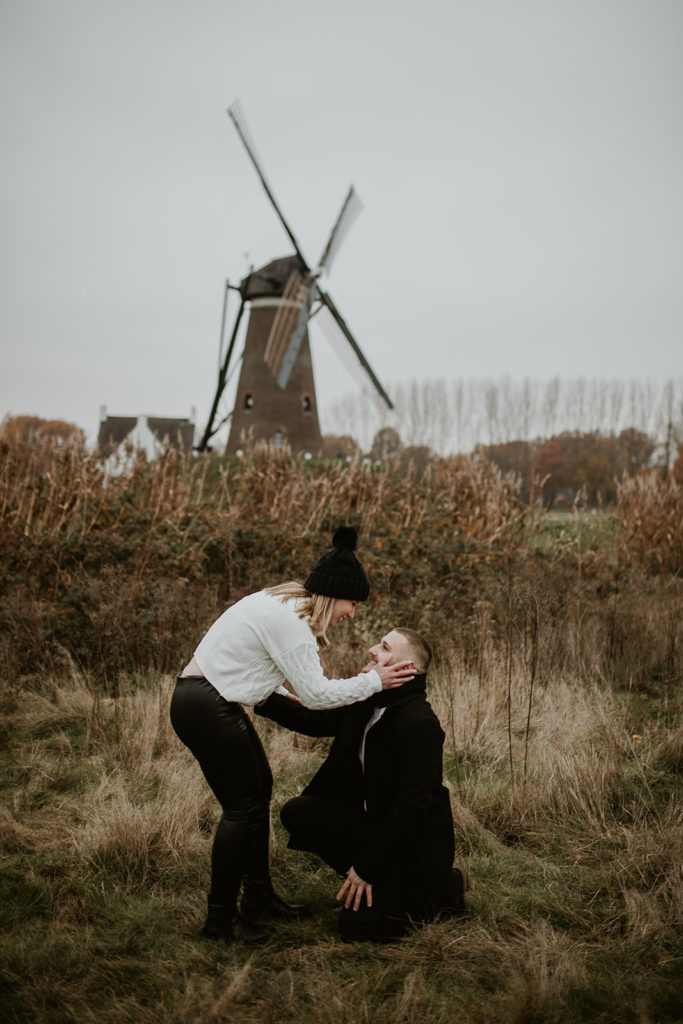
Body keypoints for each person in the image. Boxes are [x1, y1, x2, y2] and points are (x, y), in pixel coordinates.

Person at [170, 527, 416, 945]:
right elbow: (318, 694)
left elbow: (254, 663)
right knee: (242, 807)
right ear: (333, 594)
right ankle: (221, 921)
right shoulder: (294, 623)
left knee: (257, 791)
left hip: (207, 699)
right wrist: (373, 681)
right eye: (352, 603)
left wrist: (288, 694)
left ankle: (259, 899)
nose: (352, 614)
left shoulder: (279, 600)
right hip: (206, 705)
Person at [255, 626, 468, 942]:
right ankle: (370, 882)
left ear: (405, 668)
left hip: (414, 847)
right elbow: (316, 720)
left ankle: (444, 887)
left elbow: (412, 809)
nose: (371, 649)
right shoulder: (368, 700)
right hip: (376, 827)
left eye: (383, 648)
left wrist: (367, 866)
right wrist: (257, 691)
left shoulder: (419, 723)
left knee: (357, 931)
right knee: (300, 813)